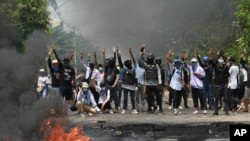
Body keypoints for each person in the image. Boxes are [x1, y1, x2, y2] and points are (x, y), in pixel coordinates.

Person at [139, 45, 163, 115]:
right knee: (149, 98)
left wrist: (160, 83)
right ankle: (150, 109)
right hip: (148, 84)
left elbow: (159, 74)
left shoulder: (156, 65)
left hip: (155, 84)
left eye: (150, 58)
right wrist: (142, 51)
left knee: (158, 97)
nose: (150, 59)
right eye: (149, 58)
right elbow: (140, 60)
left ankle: (160, 109)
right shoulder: (146, 65)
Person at [210, 50, 230, 115]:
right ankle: (216, 111)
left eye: (222, 58)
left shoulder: (226, 67)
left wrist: (228, 83)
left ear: (223, 60)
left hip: (224, 84)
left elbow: (228, 75)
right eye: (220, 58)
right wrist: (211, 54)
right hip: (218, 85)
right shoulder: (216, 67)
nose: (221, 59)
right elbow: (211, 61)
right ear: (218, 59)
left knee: (225, 98)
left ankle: (226, 110)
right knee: (217, 98)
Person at [119, 48, 138, 114]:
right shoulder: (124, 69)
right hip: (125, 85)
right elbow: (120, 64)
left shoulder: (133, 69)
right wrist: (119, 56)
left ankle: (134, 109)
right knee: (125, 98)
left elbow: (135, 77)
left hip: (132, 85)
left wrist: (136, 85)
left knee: (133, 98)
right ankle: (124, 108)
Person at [103, 48, 120, 113]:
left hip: (113, 85)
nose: (110, 62)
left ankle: (116, 108)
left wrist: (114, 84)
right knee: (107, 97)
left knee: (115, 97)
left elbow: (117, 77)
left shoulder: (116, 69)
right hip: (108, 85)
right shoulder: (107, 67)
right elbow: (104, 62)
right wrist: (104, 54)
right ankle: (107, 108)